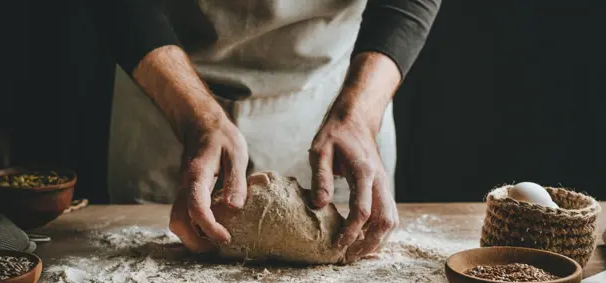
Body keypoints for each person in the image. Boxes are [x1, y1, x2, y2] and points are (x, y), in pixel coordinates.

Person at [87, 0, 441, 261]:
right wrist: (194, 115)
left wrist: (360, 114)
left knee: (346, 247)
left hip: (332, 91)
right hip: (165, 86)